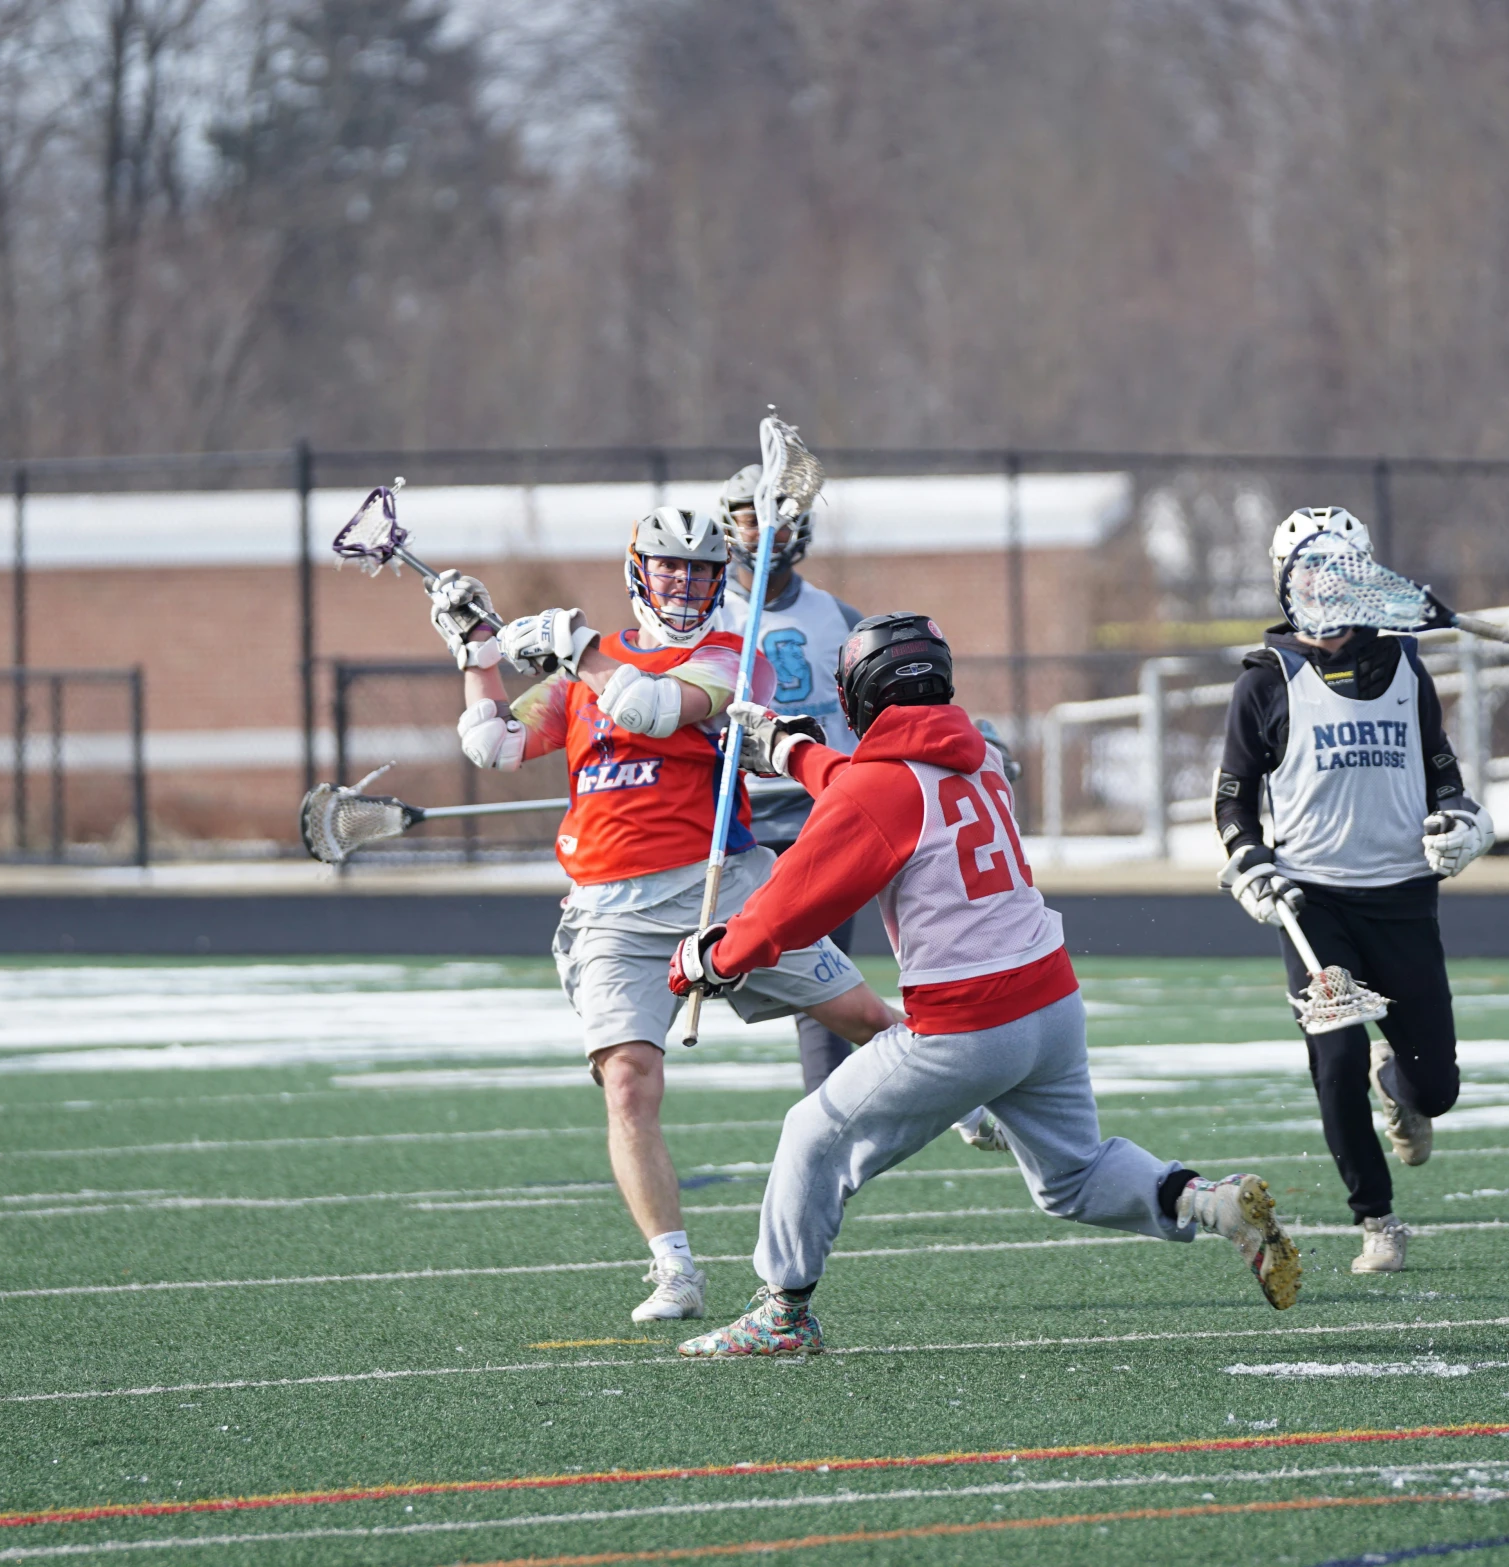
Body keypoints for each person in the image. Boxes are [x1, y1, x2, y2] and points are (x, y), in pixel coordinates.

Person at [661, 613, 1304, 1356]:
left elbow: (797, 902)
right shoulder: (979, 753)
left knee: (811, 1134)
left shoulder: (879, 786)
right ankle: (1208, 1201)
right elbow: (865, 783)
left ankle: (783, 1313)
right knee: (1072, 1176)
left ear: (863, 697)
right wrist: (791, 747)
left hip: (967, 1023)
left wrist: (715, 955)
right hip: (1050, 1002)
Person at [427, 505, 896, 1324]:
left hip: (726, 885)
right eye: (669, 566)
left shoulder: (729, 656)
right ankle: (674, 1268)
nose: (683, 582)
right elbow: (492, 744)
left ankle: (968, 1095)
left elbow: (650, 706)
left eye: (700, 570)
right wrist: (478, 652)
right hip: (609, 907)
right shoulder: (585, 672)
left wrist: (579, 654)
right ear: (638, 570)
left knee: (859, 1015)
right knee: (628, 1083)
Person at [1211, 507, 1495, 1275]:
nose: (1323, 592)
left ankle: (1398, 1086)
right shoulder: (1265, 682)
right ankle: (1376, 1217)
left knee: (1435, 1088)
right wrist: (1249, 858)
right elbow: (1234, 797)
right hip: (1313, 904)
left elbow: (1441, 768)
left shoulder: (1407, 668)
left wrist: (1462, 817)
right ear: (1286, 583)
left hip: (1402, 897)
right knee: (1334, 1059)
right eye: (1309, 576)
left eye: (1337, 576)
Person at [715, 465, 871, 1094]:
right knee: (705, 966)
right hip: (733, 822)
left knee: (825, 984)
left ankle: (827, 1120)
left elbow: (875, 722)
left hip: (821, 815)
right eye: (753, 513)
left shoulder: (839, 618)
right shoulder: (706, 617)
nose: (767, 526)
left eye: (780, 510)